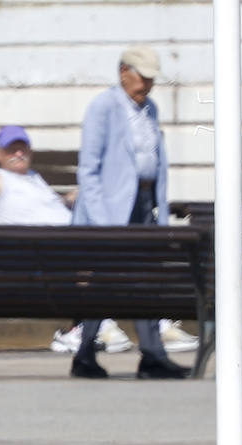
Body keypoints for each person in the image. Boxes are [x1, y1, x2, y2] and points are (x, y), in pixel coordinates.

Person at [0, 126, 134, 355]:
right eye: (12, 149)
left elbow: (46, 208)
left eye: (22, 148)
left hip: (64, 243)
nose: (18, 154)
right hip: (34, 252)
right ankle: (89, 326)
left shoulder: (33, 177)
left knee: (112, 238)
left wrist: (70, 198)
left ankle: (91, 326)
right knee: (89, 255)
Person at [68, 45, 195, 380]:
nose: (148, 84)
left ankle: (153, 355)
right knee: (104, 283)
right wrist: (103, 222)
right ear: (124, 72)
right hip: (109, 211)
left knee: (148, 280)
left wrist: (160, 207)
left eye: (152, 78)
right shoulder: (104, 107)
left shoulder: (149, 108)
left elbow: (155, 161)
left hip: (142, 205)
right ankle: (84, 355)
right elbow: (88, 170)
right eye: (143, 77)